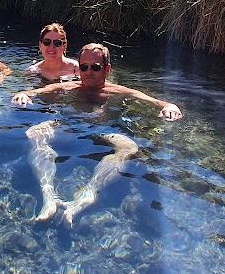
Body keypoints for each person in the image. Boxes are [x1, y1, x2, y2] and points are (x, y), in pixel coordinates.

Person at [12, 42, 182, 226]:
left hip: (106, 131)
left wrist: (170, 106)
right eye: (84, 67)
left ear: (107, 69)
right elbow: (34, 91)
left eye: (95, 67)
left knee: (129, 148)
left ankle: (86, 196)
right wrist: (23, 94)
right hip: (70, 126)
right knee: (35, 133)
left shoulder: (118, 91)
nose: (88, 72)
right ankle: (48, 195)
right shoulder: (69, 87)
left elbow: (156, 102)